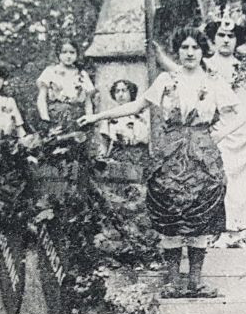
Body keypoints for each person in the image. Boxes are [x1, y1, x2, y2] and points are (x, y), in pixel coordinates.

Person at [82, 27, 234, 297]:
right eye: (184, 48)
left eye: (195, 48)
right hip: (170, 155)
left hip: (202, 156)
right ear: (178, 51)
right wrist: (96, 117)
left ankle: (196, 282)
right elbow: (137, 106)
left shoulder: (214, 81)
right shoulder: (166, 80)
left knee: (199, 215)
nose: (189, 53)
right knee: (171, 214)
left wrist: (212, 140)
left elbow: (235, 115)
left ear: (202, 51)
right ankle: (175, 283)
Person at [204, 11, 246, 241]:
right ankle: (218, 231)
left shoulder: (244, 68)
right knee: (222, 179)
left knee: (244, 182)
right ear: (213, 37)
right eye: (221, 34)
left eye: (231, 36)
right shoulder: (205, 66)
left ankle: (239, 232)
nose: (225, 40)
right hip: (221, 130)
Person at [35, 41, 95, 131]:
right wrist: (45, 119)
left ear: (77, 54)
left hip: (77, 118)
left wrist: (89, 119)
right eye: (64, 52)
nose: (68, 56)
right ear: (58, 54)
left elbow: (88, 102)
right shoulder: (50, 72)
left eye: (72, 52)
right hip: (56, 117)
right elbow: (42, 98)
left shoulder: (81, 74)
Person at [95, 79, 150, 163]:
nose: (120, 95)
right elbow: (104, 142)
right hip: (118, 156)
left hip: (140, 155)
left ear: (131, 92)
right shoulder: (109, 116)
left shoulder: (142, 115)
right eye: (117, 91)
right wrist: (102, 157)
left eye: (124, 91)